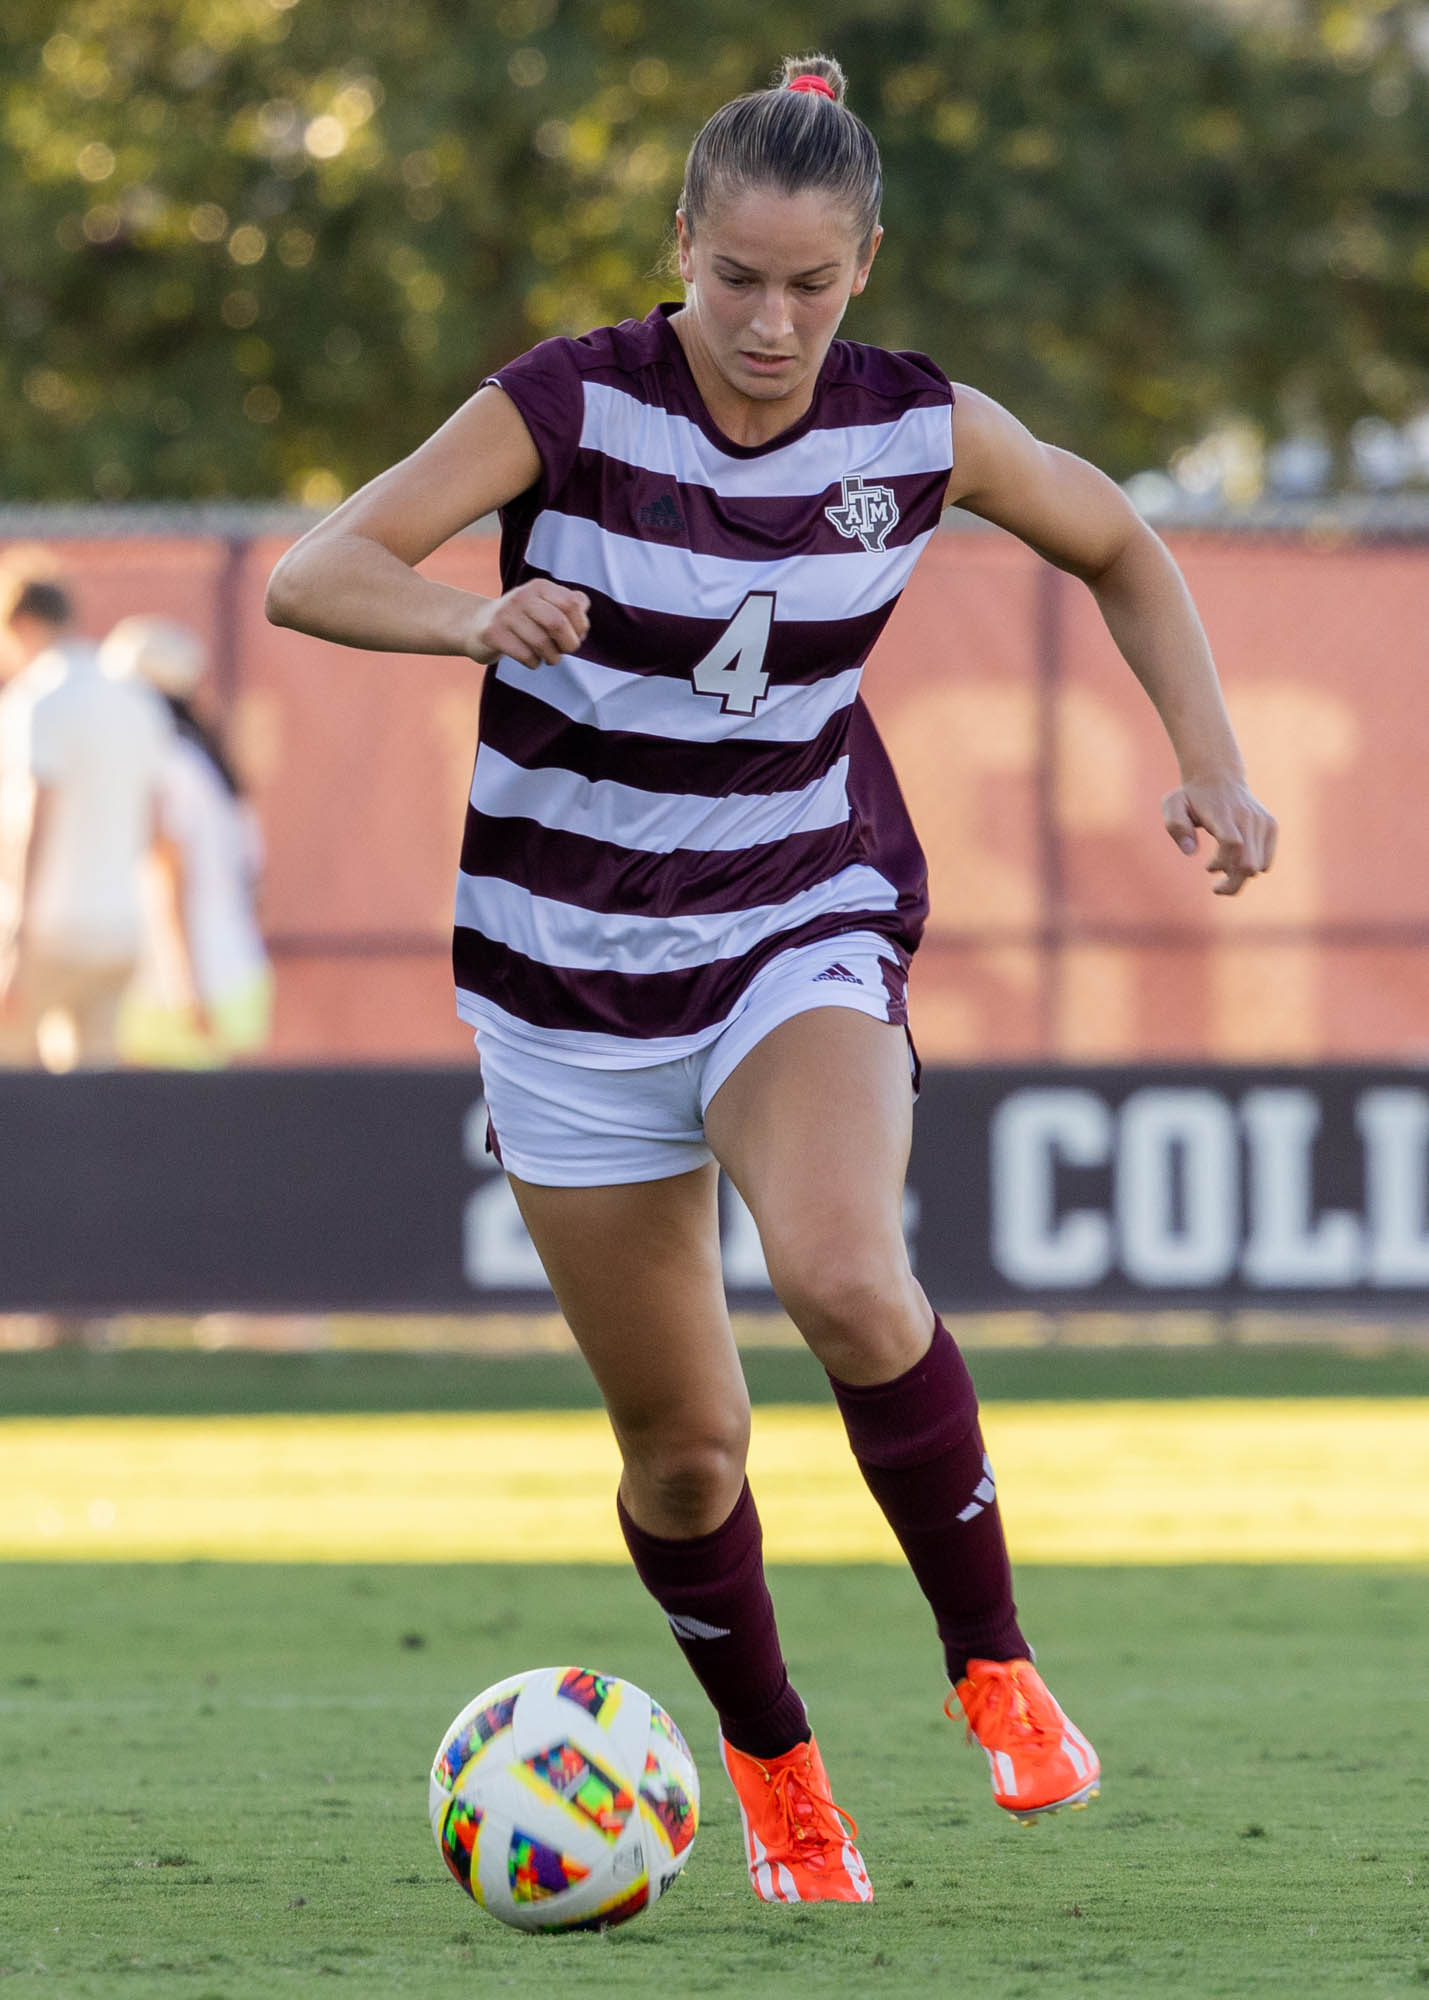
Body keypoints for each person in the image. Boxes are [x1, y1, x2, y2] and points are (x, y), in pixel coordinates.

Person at [266, 54, 1276, 1904]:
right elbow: (316, 570)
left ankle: (994, 1672)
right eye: (734, 278)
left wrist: (1207, 756)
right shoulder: (563, 402)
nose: (767, 320)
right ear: (679, 248)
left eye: (809, 286)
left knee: (839, 1271)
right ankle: (774, 1771)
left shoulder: (917, 433)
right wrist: (463, 615)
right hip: (560, 978)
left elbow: (1117, 537)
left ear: (863, 268)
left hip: (786, 919)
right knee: (680, 1453)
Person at [0, 554, 173, 1069]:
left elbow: (36, 821)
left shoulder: (37, 698)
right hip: (120, 929)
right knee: (93, 1105)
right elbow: (155, 829)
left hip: (51, 930)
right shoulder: (138, 699)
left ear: (23, 625)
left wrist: (17, 939)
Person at [98, 617, 273, 1068]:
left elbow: (167, 873)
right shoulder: (209, 764)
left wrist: (185, 989)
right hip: (237, 976)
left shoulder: (163, 765)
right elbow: (252, 879)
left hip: (175, 997)